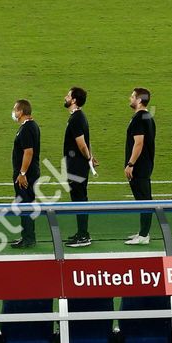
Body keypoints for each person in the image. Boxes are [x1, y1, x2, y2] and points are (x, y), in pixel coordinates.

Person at [62, 86, 97, 248]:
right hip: (78, 165)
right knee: (79, 198)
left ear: (74, 100)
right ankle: (82, 233)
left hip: (76, 167)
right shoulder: (79, 117)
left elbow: (81, 144)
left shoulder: (76, 118)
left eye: (68, 95)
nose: (65, 97)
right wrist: (90, 156)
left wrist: (89, 156)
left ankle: (83, 235)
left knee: (79, 200)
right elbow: (86, 141)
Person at [124, 87, 157, 245]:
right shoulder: (148, 116)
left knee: (144, 200)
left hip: (139, 166)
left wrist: (130, 164)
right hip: (146, 164)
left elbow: (138, 143)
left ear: (139, 100)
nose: (130, 99)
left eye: (132, 96)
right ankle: (143, 232)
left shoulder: (139, 118)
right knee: (144, 199)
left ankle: (144, 235)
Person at [10, 99, 40, 249]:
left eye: (15, 109)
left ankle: (28, 238)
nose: (14, 112)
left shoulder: (27, 128)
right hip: (30, 173)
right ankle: (27, 236)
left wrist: (22, 173)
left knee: (25, 205)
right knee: (26, 204)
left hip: (26, 175)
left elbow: (28, 152)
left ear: (21, 112)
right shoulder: (30, 126)